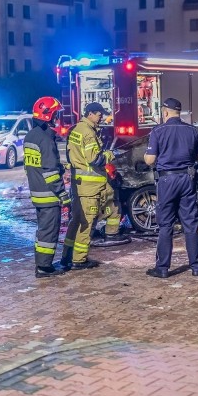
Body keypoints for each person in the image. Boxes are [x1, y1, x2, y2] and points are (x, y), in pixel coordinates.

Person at [61, 102, 130, 271]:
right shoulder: (88, 133)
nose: (101, 118)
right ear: (91, 114)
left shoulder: (77, 129)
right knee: (87, 223)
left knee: (76, 220)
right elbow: (95, 160)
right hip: (90, 188)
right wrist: (109, 154)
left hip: (80, 186)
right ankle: (79, 259)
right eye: (99, 115)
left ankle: (67, 255)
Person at [143, 98, 198, 278]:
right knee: (190, 224)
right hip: (187, 179)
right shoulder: (192, 130)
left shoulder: (158, 131)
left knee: (165, 225)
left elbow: (149, 160)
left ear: (165, 112)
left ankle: (162, 268)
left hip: (167, 181)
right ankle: (196, 266)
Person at [23, 96, 70, 278]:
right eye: (56, 114)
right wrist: (63, 194)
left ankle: (41, 264)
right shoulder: (46, 139)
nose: (57, 118)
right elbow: (50, 171)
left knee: (43, 231)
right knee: (49, 233)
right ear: (49, 116)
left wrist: (59, 167)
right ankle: (44, 267)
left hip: (37, 192)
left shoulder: (31, 136)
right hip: (49, 194)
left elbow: (35, 165)